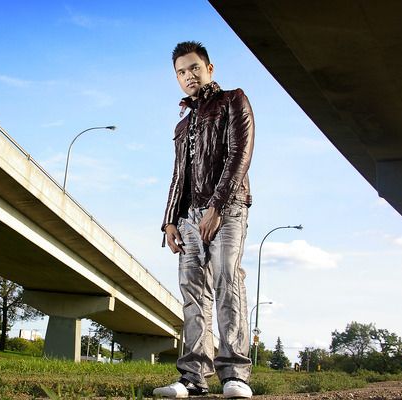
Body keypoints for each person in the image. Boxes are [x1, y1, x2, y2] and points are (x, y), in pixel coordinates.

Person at [153, 41, 254, 399]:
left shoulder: (233, 100)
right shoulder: (183, 125)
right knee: (193, 294)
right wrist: (169, 221)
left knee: (227, 279)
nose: (188, 75)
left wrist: (216, 207)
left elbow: (239, 155)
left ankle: (235, 375)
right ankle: (193, 378)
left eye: (194, 68)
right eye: (181, 71)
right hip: (188, 217)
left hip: (228, 208)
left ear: (209, 69)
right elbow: (178, 175)